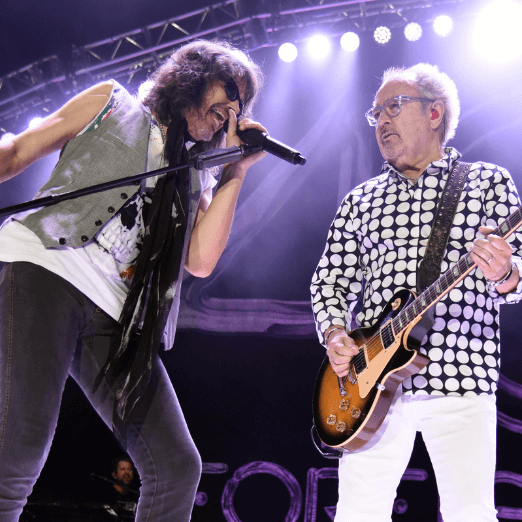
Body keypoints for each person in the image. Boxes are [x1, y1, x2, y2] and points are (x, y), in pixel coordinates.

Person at [0, 40, 266, 522]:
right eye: (227, 92)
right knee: (18, 447)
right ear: (192, 77)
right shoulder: (111, 102)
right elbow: (18, 151)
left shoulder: (196, 175)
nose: (230, 112)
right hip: (46, 268)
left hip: (118, 318)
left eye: (240, 105)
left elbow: (201, 261)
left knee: (176, 466)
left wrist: (234, 172)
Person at [310, 63, 522, 521]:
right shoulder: (360, 201)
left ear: (434, 113)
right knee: (357, 514)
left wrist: (505, 271)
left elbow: (517, 273)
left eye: (393, 106)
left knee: (471, 514)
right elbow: (329, 281)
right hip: (369, 386)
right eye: (376, 113)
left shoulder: (488, 182)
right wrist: (334, 334)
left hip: (461, 372)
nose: (381, 121)